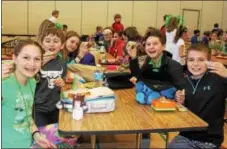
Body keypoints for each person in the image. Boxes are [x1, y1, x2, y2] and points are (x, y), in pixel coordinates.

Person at [167, 43, 227, 149]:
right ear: (186, 62)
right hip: (185, 137)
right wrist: (181, 103)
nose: (195, 64)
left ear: (209, 61)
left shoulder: (218, 79)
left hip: (210, 141)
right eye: (191, 60)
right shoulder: (184, 80)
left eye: (201, 60)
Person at [2, 40, 56, 148]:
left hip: (28, 143)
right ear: (14, 58)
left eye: (36, 59)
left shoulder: (32, 82)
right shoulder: (4, 83)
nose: (31, 64)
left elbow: (27, 116)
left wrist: (36, 135)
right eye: (26, 57)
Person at [34, 28, 67, 127]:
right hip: (38, 108)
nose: (51, 44)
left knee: (55, 134)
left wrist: (62, 83)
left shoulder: (62, 62)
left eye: (56, 41)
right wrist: (39, 64)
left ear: (62, 45)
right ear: (41, 44)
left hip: (56, 107)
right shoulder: (35, 60)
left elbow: (63, 81)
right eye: (48, 41)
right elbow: (28, 80)